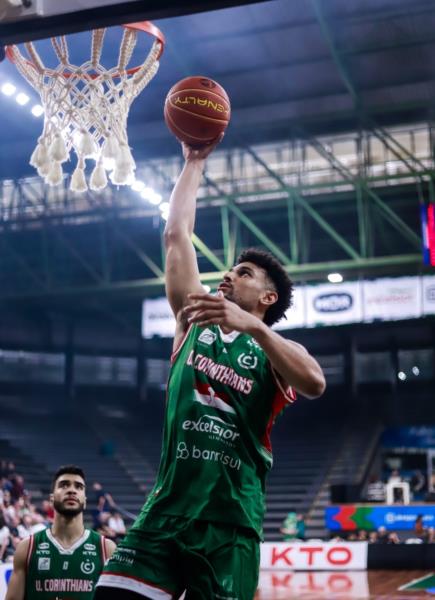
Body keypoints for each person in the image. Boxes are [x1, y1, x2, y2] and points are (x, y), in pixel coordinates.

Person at [95, 139, 325, 600]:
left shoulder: (275, 350)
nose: (228, 275)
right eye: (230, 270)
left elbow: (315, 382)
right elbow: (176, 235)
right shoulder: (192, 318)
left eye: (243, 273)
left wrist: (254, 330)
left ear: (267, 297)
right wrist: (194, 161)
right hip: (166, 511)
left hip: (230, 524)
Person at [5, 465, 116, 600]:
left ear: (85, 501)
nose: (71, 490)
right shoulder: (28, 547)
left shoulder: (106, 548)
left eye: (78, 487)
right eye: (64, 485)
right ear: (51, 499)